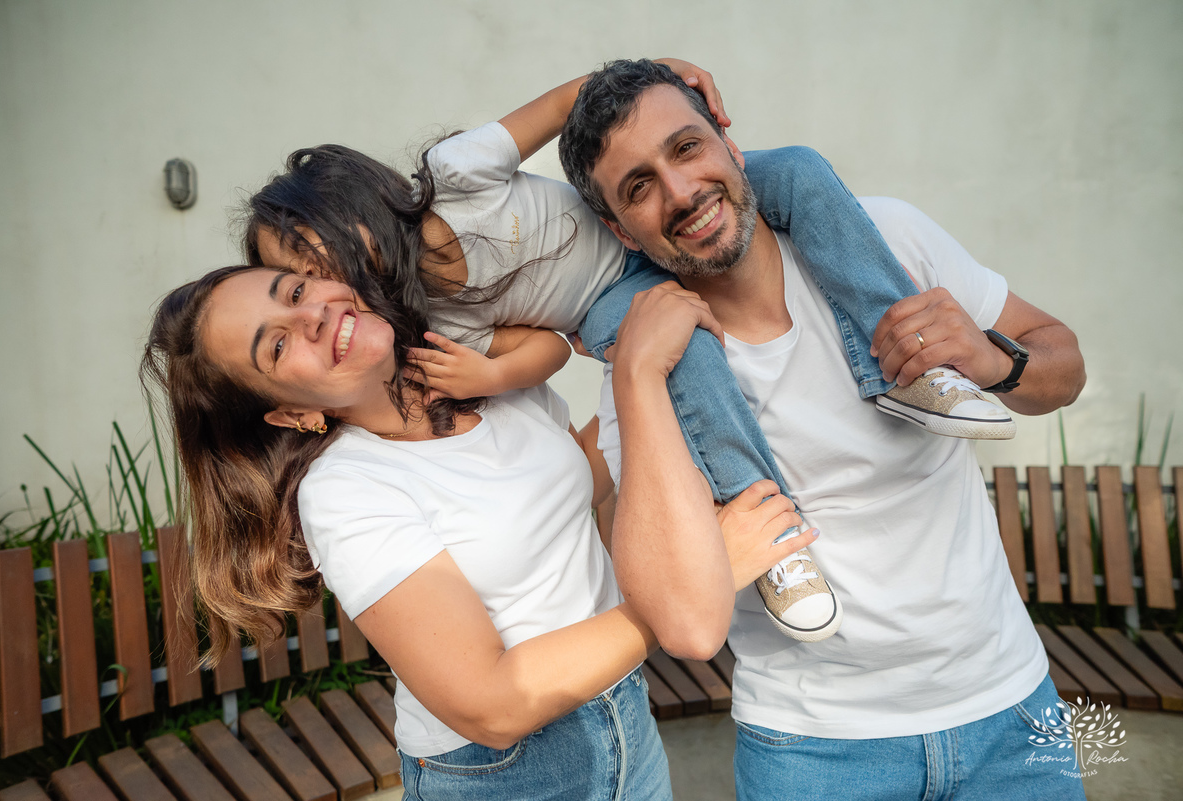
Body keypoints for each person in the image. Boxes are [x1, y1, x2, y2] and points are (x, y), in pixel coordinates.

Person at [243, 60, 1012, 644]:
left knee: (805, 171)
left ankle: (912, 368)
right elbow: (549, 346)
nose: (323, 290)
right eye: (298, 283)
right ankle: (771, 528)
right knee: (693, 350)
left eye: (313, 264)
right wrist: (491, 373)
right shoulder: (433, 315)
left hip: (644, 220)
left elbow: (573, 102)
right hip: (613, 292)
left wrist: (664, 68)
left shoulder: (457, 172)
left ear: (356, 206)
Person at [558, 59, 1088, 799]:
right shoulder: (651, 366)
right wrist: (637, 377)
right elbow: (675, 610)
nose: (681, 193)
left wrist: (990, 357)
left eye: (686, 148)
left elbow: (1063, 364)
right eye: (639, 187)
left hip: (1010, 713)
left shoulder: (889, 239)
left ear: (729, 145)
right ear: (621, 229)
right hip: (814, 751)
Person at [141, 264, 815, 800]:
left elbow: (574, 477)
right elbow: (491, 704)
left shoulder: (478, 374)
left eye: (295, 289)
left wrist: (636, 363)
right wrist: (698, 576)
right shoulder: (346, 491)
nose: (311, 314)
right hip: (508, 775)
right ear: (289, 413)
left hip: (623, 716)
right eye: (279, 343)